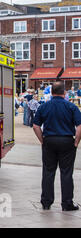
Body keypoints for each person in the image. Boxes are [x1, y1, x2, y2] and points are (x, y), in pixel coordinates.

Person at [32, 81, 81, 211]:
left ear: (52, 92)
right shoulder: (72, 107)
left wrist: (42, 140)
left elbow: (36, 126)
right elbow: (79, 126)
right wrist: (76, 142)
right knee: (66, 173)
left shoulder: (43, 107)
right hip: (66, 141)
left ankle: (46, 202)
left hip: (49, 140)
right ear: (64, 92)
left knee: (48, 172)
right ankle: (67, 203)